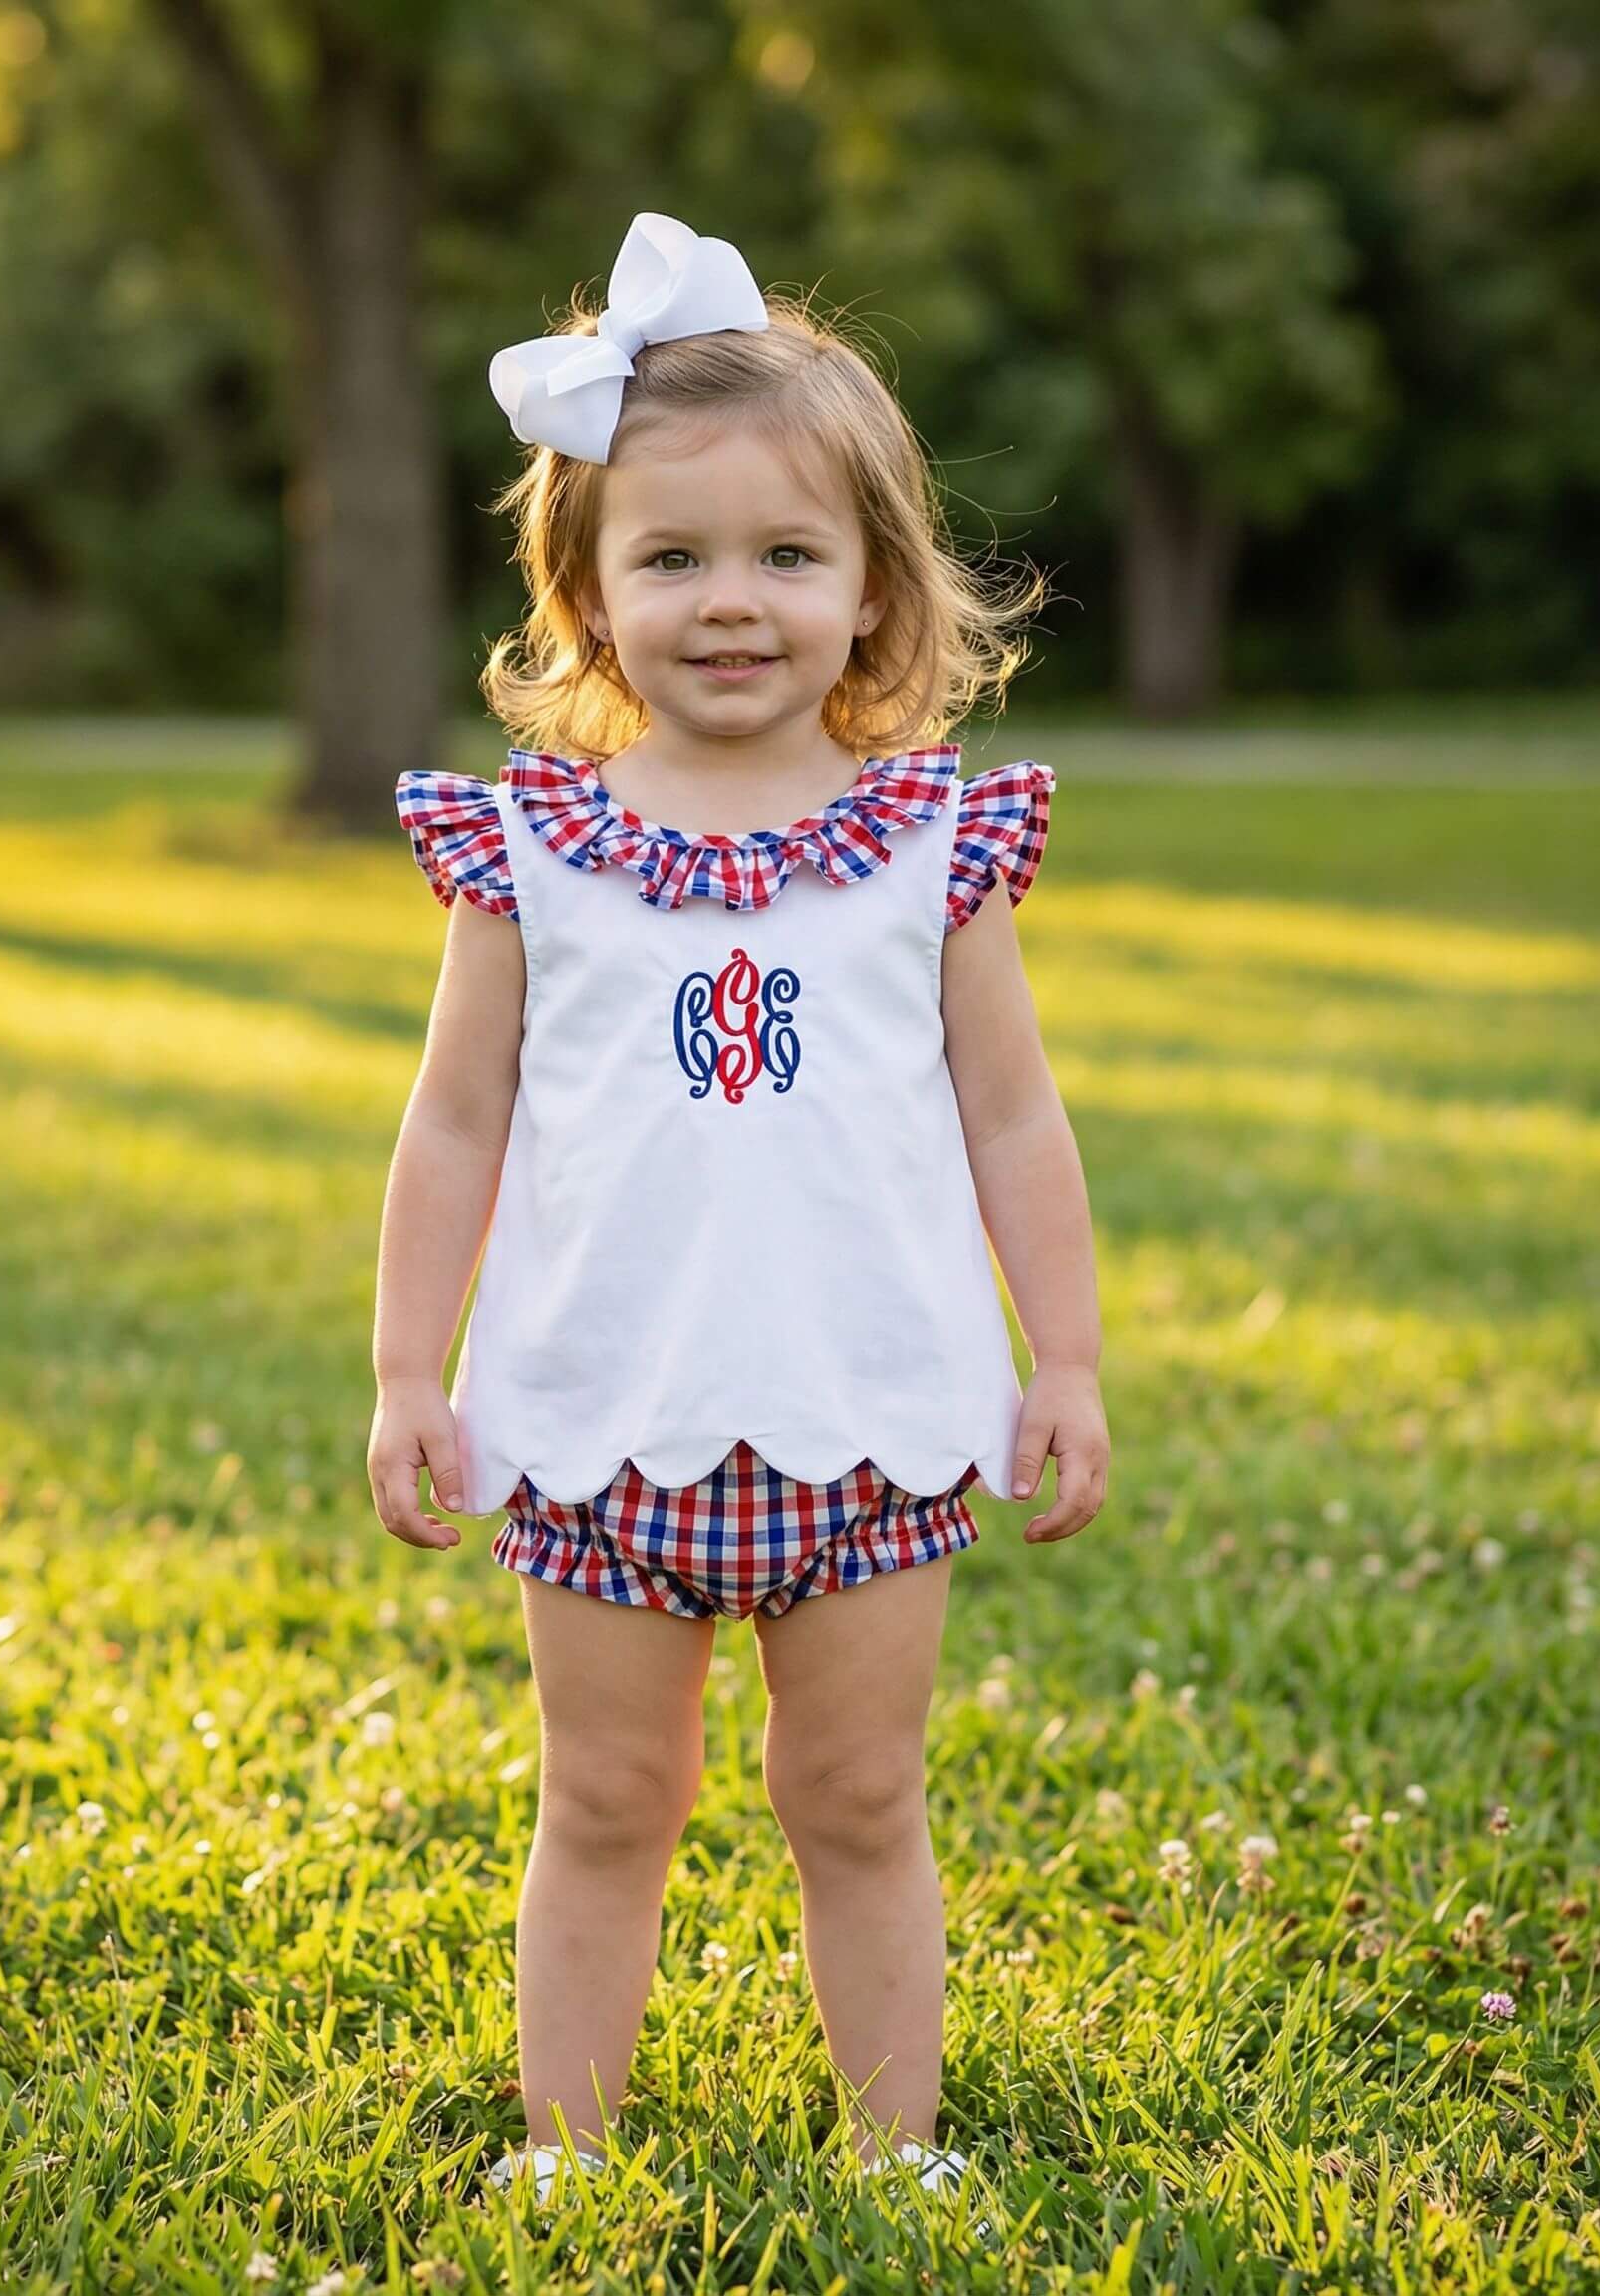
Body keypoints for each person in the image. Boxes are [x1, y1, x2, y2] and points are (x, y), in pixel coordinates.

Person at [370, 212, 1108, 2218]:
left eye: (787, 556)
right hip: (600, 1412)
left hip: (872, 1404)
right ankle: (566, 2156)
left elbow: (1012, 1115)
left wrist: (1064, 1359)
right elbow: (454, 1126)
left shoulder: (930, 841)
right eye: (670, 556)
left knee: (855, 1792)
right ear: (587, 592)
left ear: (871, 587)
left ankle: (897, 2150)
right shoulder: (530, 851)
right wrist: (405, 1377)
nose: (730, 601)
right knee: (608, 1796)